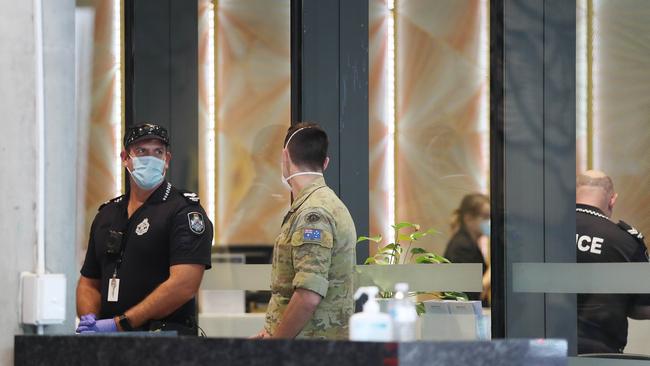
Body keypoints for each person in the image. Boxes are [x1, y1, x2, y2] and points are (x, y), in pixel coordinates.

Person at [75, 123, 213, 335]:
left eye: (158, 152)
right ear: (125, 158)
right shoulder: (107, 214)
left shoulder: (183, 212)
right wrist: (90, 322)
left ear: (166, 160)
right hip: (110, 345)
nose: (150, 158)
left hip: (164, 341)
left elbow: (183, 285)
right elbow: (89, 283)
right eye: (141, 151)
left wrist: (120, 324)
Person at [253, 122, 356, 340]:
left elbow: (308, 296)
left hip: (308, 350)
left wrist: (274, 346)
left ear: (285, 157)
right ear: (325, 163)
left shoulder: (313, 214)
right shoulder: (324, 204)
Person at [576, 170, 649, 354]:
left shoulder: (546, 233)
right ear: (612, 200)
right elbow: (642, 308)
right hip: (599, 354)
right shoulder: (625, 242)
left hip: (544, 349)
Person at [443, 193, 491, 305]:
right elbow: (471, 293)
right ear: (468, 218)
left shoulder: (466, 243)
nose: (489, 222)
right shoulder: (462, 246)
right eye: (485, 217)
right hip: (462, 314)